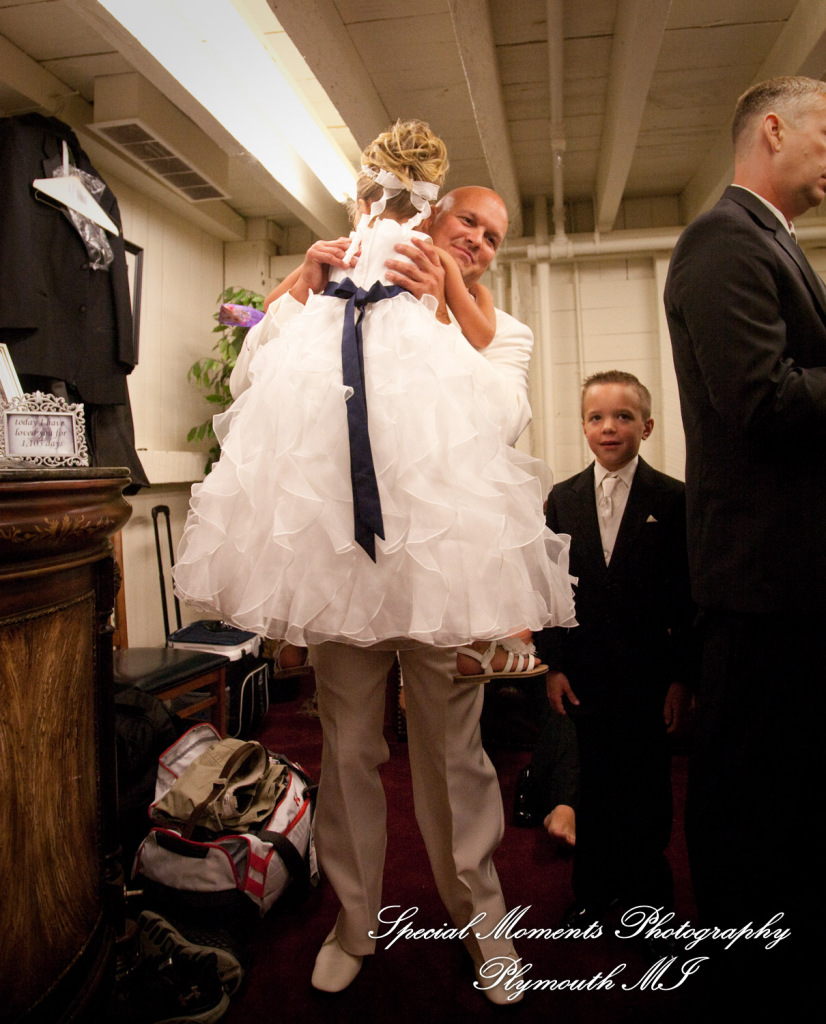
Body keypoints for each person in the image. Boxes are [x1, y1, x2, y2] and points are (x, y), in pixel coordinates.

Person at [176, 121, 575, 1003]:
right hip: (342, 568)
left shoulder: (497, 328)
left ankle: (484, 928)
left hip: (440, 571)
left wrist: (453, 309)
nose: (476, 239)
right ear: (428, 218)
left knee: (454, 756)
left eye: (493, 238)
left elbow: (504, 419)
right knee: (349, 748)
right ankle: (354, 922)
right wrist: (297, 286)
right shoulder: (334, 301)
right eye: (467, 221)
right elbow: (249, 387)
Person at [664, 75, 826, 993]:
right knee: (751, 810)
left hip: (793, 583)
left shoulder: (773, 242)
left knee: (791, 804)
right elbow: (762, 405)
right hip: (763, 588)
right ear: (774, 128)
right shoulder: (722, 239)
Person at [530, 371, 693, 925]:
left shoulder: (673, 500)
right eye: (597, 417)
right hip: (586, 675)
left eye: (623, 416)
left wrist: (680, 678)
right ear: (582, 427)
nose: (609, 427)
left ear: (646, 426)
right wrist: (554, 664)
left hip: (648, 677)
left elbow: (685, 597)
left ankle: (648, 894)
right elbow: (551, 591)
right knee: (593, 783)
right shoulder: (563, 499)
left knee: (647, 786)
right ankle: (593, 892)